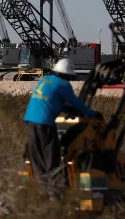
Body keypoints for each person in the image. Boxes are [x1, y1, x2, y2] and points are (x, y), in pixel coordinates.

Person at [23, 58, 99, 192]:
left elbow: (52, 101)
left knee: (37, 161)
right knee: (52, 160)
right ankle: (56, 196)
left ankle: (42, 193)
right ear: (67, 74)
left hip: (31, 121)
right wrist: (92, 113)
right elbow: (76, 102)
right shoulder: (63, 84)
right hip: (45, 124)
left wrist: (69, 110)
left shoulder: (44, 80)